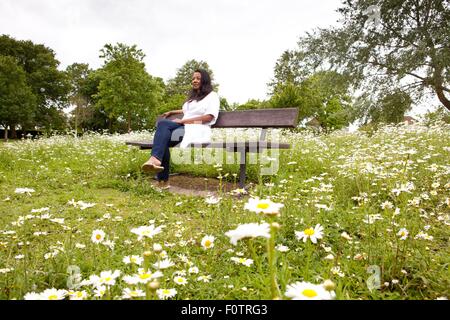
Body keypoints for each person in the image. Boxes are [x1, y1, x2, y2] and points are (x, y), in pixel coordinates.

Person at [141, 69, 220, 187]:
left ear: (205, 80)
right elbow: (187, 111)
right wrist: (172, 112)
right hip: (185, 127)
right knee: (163, 126)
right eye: (193, 78)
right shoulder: (194, 98)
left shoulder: (212, 96)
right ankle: (160, 174)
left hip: (199, 129)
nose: (194, 81)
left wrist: (184, 121)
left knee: (163, 138)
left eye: (198, 78)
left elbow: (208, 117)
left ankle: (161, 176)